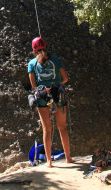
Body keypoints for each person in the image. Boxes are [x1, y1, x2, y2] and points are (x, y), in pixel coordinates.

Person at [28, 37, 75, 167]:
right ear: (45, 45)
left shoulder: (32, 63)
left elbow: (33, 84)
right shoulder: (55, 60)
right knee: (62, 127)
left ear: (33, 49)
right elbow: (65, 78)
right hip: (57, 94)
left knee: (47, 129)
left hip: (42, 95)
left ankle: (49, 161)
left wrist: (45, 87)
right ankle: (68, 158)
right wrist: (56, 84)